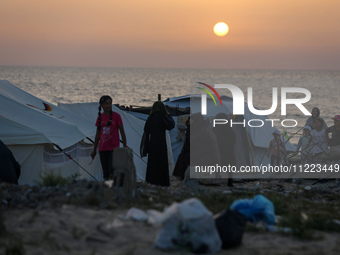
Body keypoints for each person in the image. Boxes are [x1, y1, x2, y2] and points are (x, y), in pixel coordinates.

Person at [91, 95, 127, 181]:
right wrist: (94, 149)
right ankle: (108, 189)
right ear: (101, 105)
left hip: (114, 148)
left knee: (112, 170)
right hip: (103, 148)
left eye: (110, 103)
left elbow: (122, 132)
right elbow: (97, 135)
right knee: (106, 172)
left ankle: (114, 188)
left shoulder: (116, 116)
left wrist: (125, 146)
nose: (108, 105)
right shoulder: (100, 118)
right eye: (106, 103)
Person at [144, 101, 175, 187]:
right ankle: (162, 183)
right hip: (161, 144)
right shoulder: (162, 117)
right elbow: (171, 125)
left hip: (152, 144)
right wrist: (169, 116)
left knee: (153, 164)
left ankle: (151, 182)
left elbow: (146, 130)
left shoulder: (150, 118)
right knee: (161, 163)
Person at [212, 113, 236, 187]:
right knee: (230, 167)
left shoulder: (214, 130)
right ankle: (230, 181)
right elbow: (234, 139)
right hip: (229, 151)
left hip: (219, 150)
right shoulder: (230, 130)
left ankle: (217, 179)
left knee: (218, 165)